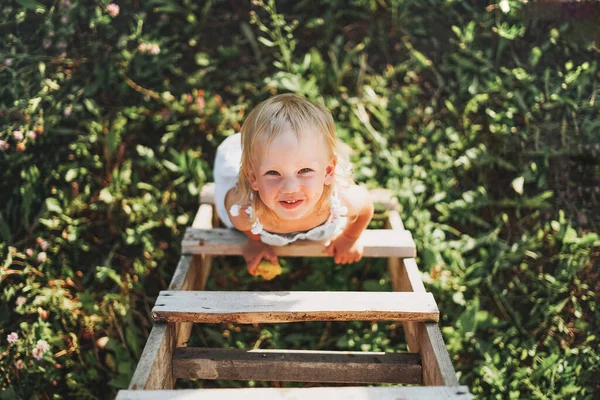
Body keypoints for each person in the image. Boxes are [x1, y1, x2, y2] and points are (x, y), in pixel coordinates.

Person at [213, 93, 374, 276]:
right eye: (273, 173)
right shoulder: (245, 211)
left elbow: (366, 205)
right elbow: (233, 209)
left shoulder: (342, 201)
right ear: (254, 179)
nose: (290, 188)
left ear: (328, 172)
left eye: (304, 171)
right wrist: (255, 242)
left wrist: (349, 238)